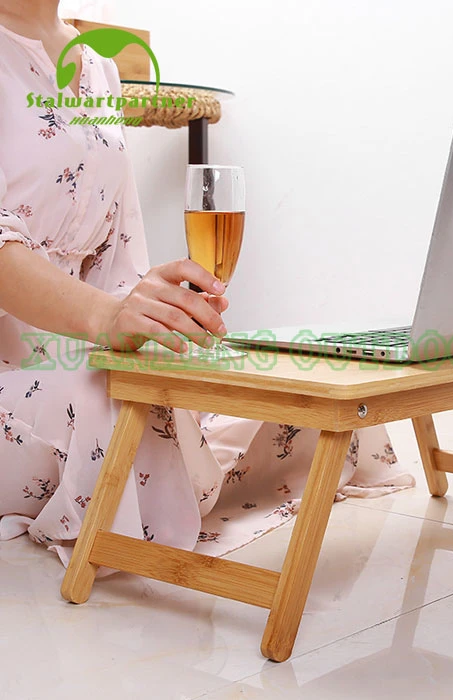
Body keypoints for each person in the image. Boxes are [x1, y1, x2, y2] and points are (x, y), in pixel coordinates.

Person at [0, 1, 414, 564]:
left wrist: (151, 320)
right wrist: (102, 317)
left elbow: (116, 243)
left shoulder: (96, 64)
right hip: (21, 368)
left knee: (292, 385)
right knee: (111, 402)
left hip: (75, 349)